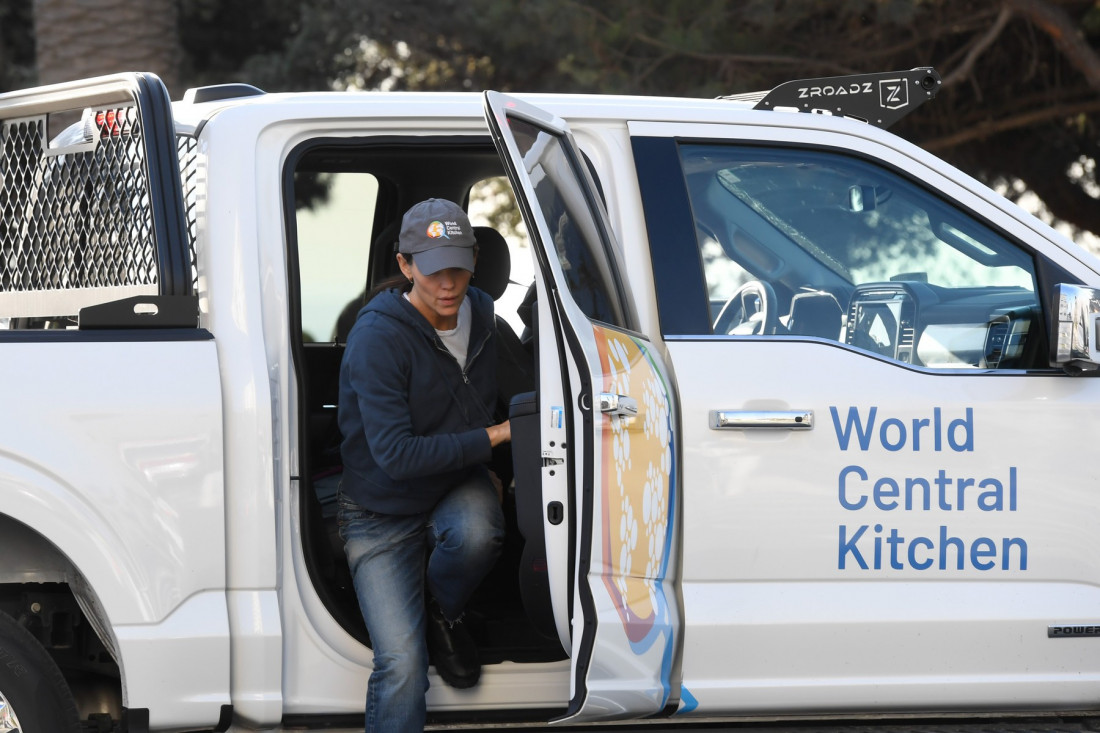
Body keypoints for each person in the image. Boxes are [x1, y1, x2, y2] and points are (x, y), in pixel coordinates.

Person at [337, 198, 510, 732]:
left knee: (480, 532)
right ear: (405, 265)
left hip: (454, 483)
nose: (447, 284)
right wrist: (493, 439)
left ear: (475, 259)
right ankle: (430, 619)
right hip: (379, 512)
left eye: (457, 266)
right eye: (433, 270)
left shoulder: (484, 314)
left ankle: (442, 610)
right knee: (403, 666)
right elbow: (396, 455)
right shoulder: (377, 337)